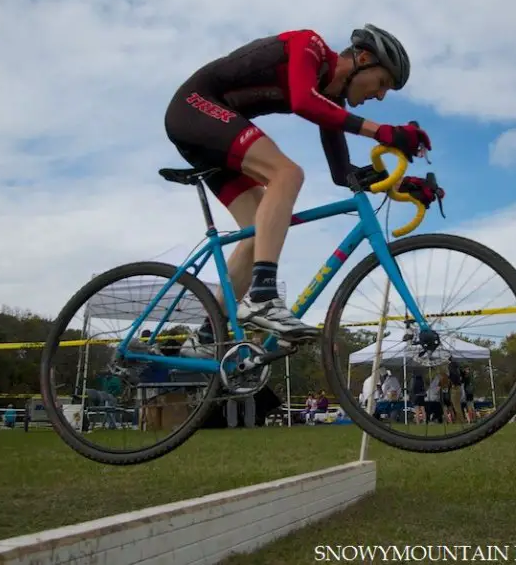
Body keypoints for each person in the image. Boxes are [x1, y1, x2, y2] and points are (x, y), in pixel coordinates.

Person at [165, 25, 433, 358]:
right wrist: (380, 132)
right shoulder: (309, 45)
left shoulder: (331, 98)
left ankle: (206, 339)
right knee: (287, 173)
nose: (379, 97)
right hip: (195, 108)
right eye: (382, 84)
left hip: (211, 132)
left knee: (257, 233)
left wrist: (401, 185)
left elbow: (343, 174)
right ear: (363, 58)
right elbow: (302, 100)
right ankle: (262, 296)